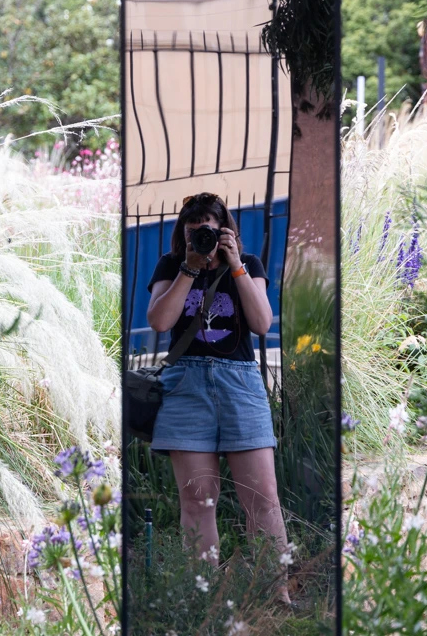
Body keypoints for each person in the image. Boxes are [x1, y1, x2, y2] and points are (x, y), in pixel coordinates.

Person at [146, 192, 291, 604]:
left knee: (263, 497)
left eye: (210, 229)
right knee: (196, 499)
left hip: (240, 383)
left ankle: (273, 592)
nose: (203, 237)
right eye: (196, 231)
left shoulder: (248, 265)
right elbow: (158, 320)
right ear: (184, 233)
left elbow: (263, 323)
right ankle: (202, 596)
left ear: (225, 229)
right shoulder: (171, 265)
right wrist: (190, 269)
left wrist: (236, 266)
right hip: (185, 386)